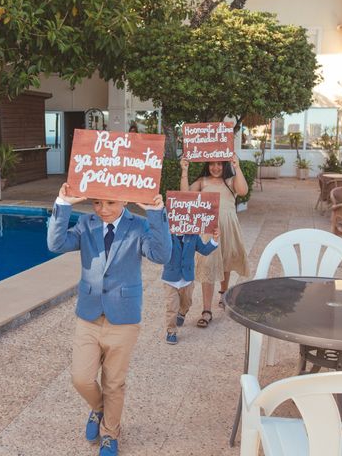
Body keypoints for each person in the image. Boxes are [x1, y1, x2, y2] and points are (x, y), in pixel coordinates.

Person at [47, 183, 171, 456]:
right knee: (81, 377)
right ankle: (100, 408)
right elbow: (55, 244)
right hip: (89, 314)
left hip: (124, 317)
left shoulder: (138, 226)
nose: (103, 209)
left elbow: (162, 255)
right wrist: (63, 202)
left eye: (111, 203)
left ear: (125, 199)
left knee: (115, 382)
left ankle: (110, 433)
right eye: (97, 203)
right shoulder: (85, 223)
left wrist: (156, 213)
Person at [180, 154, 249, 327]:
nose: (216, 167)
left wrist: (237, 166)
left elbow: (243, 191)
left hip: (228, 226)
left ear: (224, 164)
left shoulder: (231, 181)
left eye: (219, 164)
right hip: (209, 228)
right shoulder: (203, 181)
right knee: (208, 264)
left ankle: (224, 293)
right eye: (212, 164)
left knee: (226, 261)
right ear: (207, 165)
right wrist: (184, 171)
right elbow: (185, 195)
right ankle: (206, 310)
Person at [162, 227, 220, 344]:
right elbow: (160, 250)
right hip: (170, 279)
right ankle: (171, 331)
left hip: (187, 279)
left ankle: (182, 312)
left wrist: (214, 240)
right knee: (171, 307)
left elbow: (204, 250)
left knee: (187, 302)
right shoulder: (166, 235)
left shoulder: (193, 235)